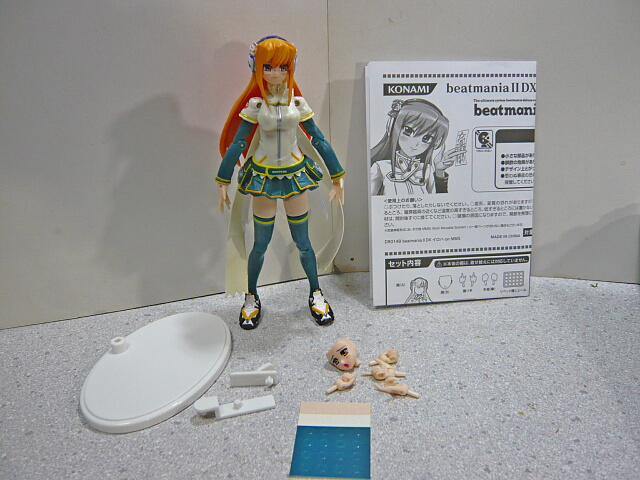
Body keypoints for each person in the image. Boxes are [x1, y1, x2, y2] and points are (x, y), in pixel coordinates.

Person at [216, 36, 345, 330]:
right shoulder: (255, 105)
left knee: (303, 242)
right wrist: (223, 179)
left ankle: (315, 292)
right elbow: (239, 143)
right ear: (258, 67)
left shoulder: (297, 103)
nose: (275, 73)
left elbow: (317, 138)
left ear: (290, 68)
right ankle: (251, 296)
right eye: (269, 67)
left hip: (295, 175)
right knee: (260, 244)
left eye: (282, 67)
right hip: (263, 179)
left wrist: (337, 174)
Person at [370, 98, 457, 196]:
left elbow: (438, 201)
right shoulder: (381, 167)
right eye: (408, 131)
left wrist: (439, 171)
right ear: (392, 127)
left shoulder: (427, 170)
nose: (415, 143)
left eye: (427, 138)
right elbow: (371, 199)